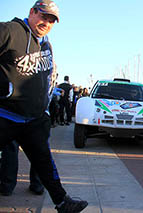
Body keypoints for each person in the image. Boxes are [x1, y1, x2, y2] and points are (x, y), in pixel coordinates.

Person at [0, 1, 88, 212]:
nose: (46, 22)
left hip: (34, 118)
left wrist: (46, 106)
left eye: (51, 20)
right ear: (32, 12)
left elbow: (47, 76)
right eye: (43, 16)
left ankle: (62, 202)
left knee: (45, 164)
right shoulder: (10, 30)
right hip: (6, 114)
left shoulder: (46, 44)